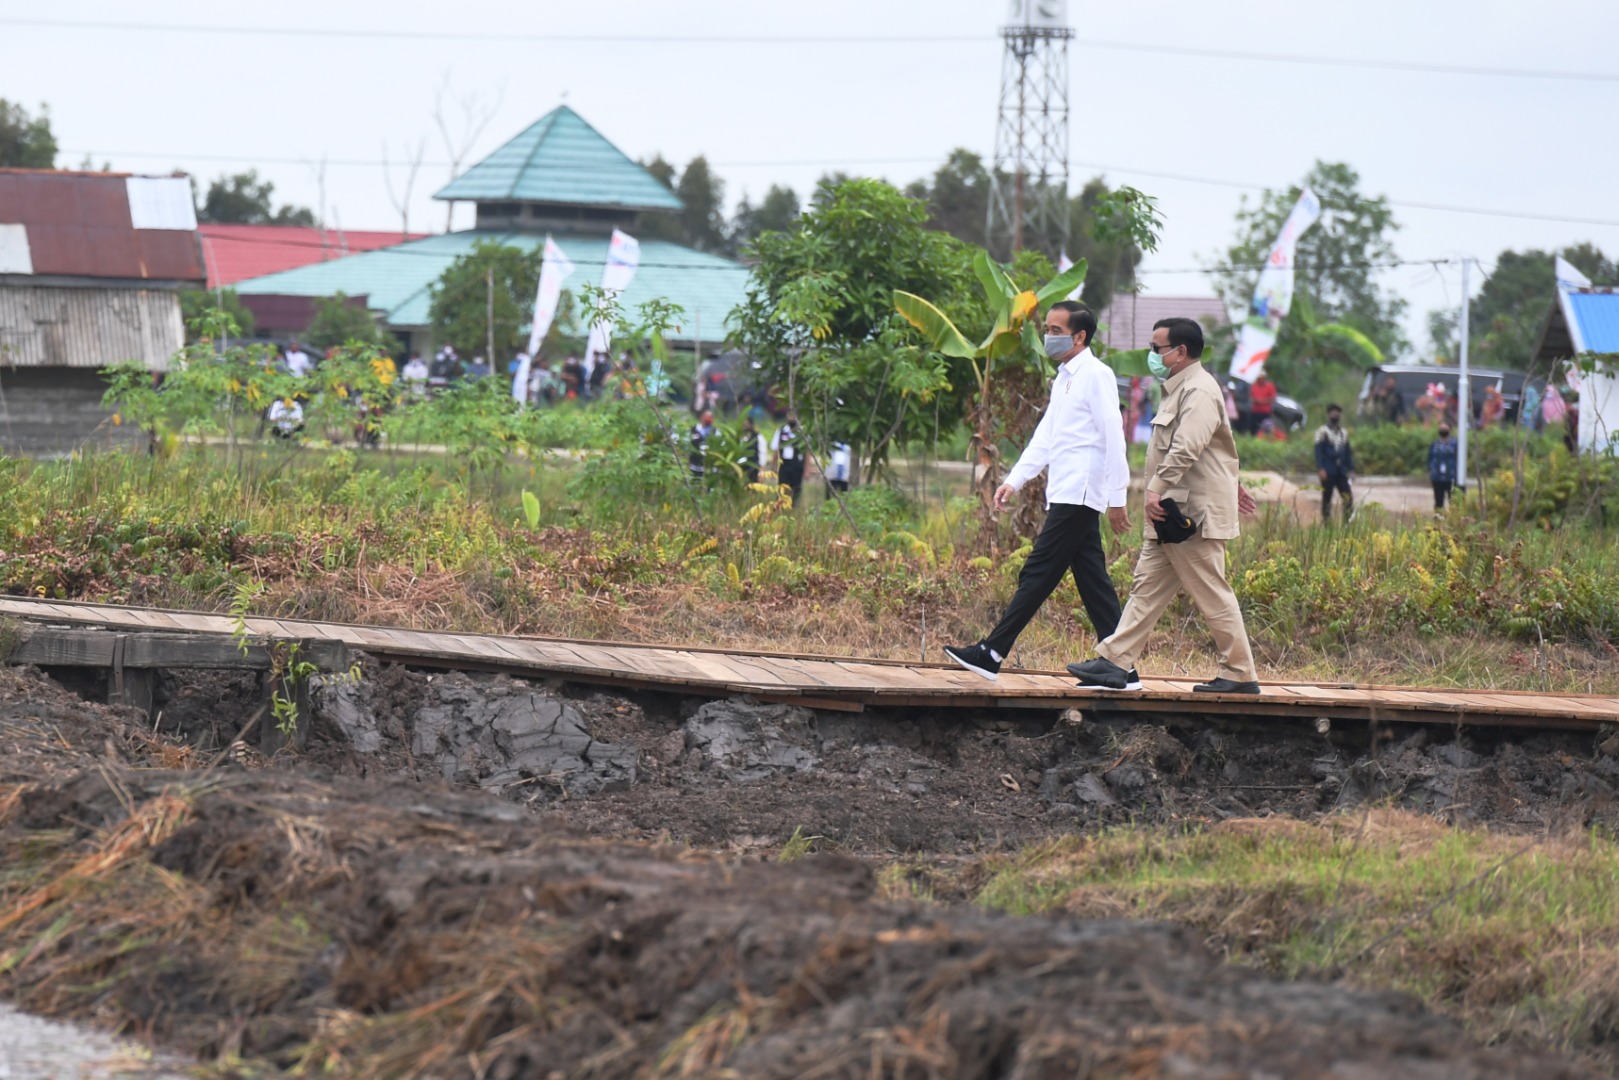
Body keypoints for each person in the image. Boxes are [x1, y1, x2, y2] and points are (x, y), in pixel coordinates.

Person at [1068, 317, 1262, 696]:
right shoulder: (1178, 389)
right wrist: (1230, 483)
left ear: (1180, 352)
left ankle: (1240, 673)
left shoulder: (1199, 391)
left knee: (1212, 592)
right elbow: (1215, 449)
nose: (1152, 356)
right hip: (1173, 514)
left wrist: (1155, 489)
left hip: (1191, 517)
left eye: (1157, 349)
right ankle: (1115, 661)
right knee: (1146, 587)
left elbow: (1188, 446)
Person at [944, 301, 1132, 683]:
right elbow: (1045, 438)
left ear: (1080, 337)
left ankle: (992, 652)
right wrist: (1015, 480)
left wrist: (1118, 498)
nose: (1048, 336)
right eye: (1047, 328)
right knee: (1093, 580)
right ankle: (1122, 666)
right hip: (1064, 489)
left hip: (1081, 491)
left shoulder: (1096, 375)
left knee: (1038, 571)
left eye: (1057, 331)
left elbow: (1115, 437)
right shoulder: (1064, 378)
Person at [1314, 404, 1355, 525]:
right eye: (1333, 412)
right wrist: (1320, 468)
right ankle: (1326, 523)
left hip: (1341, 470)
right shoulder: (1322, 432)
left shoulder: (1343, 433)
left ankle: (1347, 523)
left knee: (1348, 497)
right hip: (1328, 469)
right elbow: (1318, 452)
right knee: (1327, 497)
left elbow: (1347, 453)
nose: (1336, 415)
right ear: (1328, 414)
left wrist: (1351, 468)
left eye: (1337, 412)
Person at [770, 413, 806, 504]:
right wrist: (773, 466)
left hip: (797, 464)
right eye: (790, 416)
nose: (791, 418)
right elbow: (776, 449)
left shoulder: (802, 432)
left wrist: (807, 468)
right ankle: (780, 506)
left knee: (796, 488)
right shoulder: (781, 431)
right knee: (782, 487)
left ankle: (794, 506)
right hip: (784, 464)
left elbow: (807, 452)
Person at [1428, 423, 1458, 511]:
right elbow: (1430, 458)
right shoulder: (1435, 444)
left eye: (1445, 428)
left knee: (1453, 502)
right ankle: (1438, 522)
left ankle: (1453, 521)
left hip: (1451, 477)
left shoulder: (1454, 444)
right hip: (1437, 478)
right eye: (1442, 428)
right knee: (1438, 502)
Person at [738, 417, 767, 483]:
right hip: (740, 467)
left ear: (751, 425)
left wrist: (762, 470)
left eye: (747, 424)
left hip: (753, 467)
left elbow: (762, 453)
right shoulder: (739, 437)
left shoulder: (758, 437)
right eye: (744, 424)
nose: (745, 426)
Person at [688, 411, 715, 481]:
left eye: (711, 417)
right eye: (707, 416)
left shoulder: (715, 432)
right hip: (694, 465)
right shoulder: (693, 430)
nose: (709, 419)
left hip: (709, 467)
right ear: (701, 417)